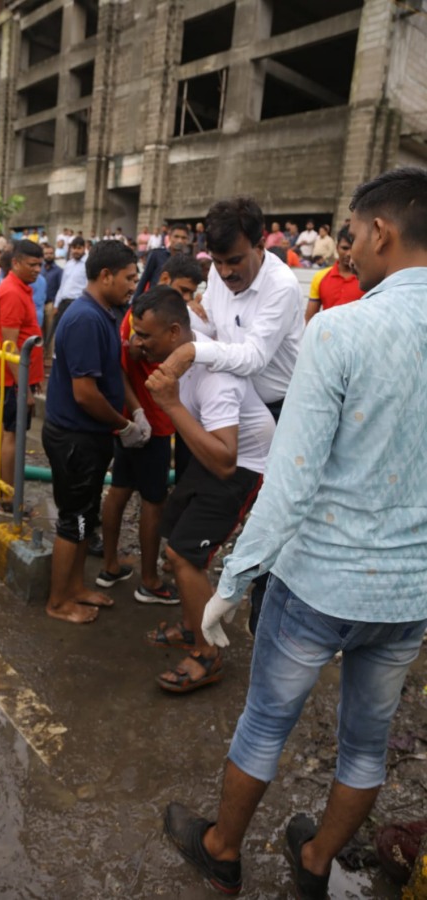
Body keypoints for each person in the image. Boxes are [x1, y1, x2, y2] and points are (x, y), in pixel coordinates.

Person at [163, 166, 427, 899]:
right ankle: (315, 862)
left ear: (381, 232)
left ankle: (222, 850)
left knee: (265, 724)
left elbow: (292, 478)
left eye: (353, 234)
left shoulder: (340, 328)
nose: (348, 249)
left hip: (320, 580)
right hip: (408, 593)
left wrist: (235, 578)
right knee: (366, 742)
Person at [161, 198, 303, 634]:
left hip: (277, 409)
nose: (225, 272)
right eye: (218, 262)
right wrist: (182, 320)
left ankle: (263, 619)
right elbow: (214, 331)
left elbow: (254, 356)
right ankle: (197, 614)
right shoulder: (217, 277)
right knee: (199, 514)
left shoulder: (282, 286)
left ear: (260, 246)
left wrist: (191, 349)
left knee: (270, 521)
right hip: (230, 403)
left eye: (235, 261)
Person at [128, 287, 274, 692]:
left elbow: (226, 462)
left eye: (145, 336)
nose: (138, 343)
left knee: (185, 555)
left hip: (242, 466)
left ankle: (208, 655)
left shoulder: (216, 379)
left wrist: (171, 404)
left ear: (175, 333)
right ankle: (193, 625)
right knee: (174, 535)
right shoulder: (184, 342)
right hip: (206, 454)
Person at [43, 240, 144, 625]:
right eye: (129, 278)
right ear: (105, 276)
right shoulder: (85, 318)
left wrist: (131, 410)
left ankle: (75, 588)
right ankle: (58, 601)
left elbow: (111, 369)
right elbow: (85, 393)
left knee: (86, 516)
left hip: (89, 436)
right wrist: (124, 424)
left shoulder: (104, 313)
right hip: (76, 438)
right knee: (75, 520)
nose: (133, 285)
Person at [96, 256, 204, 605]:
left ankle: (110, 566)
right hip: (151, 422)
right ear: (167, 278)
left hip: (137, 419)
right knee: (153, 501)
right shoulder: (145, 318)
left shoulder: (143, 313)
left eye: (191, 293)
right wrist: (141, 411)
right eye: (183, 291)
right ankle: (149, 580)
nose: (187, 299)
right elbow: (126, 362)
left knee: (120, 489)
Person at [0, 240, 44, 514]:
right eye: (32, 265)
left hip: (15, 377)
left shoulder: (19, 288)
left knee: (5, 430)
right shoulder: (11, 292)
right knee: (13, 434)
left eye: (40, 265)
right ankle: (8, 499)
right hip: (12, 379)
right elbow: (10, 347)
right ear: (16, 263)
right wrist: (25, 389)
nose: (37, 270)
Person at [305, 227, 365, 324]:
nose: (349, 253)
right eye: (345, 248)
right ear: (337, 248)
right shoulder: (320, 277)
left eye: (353, 248)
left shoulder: (368, 280)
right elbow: (309, 319)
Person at [132, 223, 189, 299]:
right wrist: (135, 301)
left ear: (187, 240)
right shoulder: (156, 254)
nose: (180, 241)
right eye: (176, 237)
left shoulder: (187, 261)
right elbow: (144, 279)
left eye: (183, 238)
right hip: (154, 300)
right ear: (169, 237)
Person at [53, 236, 87, 323]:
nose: (76, 251)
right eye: (74, 248)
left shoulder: (88, 264)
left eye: (79, 248)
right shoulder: (68, 264)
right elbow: (63, 285)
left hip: (78, 303)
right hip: (63, 304)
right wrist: (56, 304)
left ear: (84, 248)